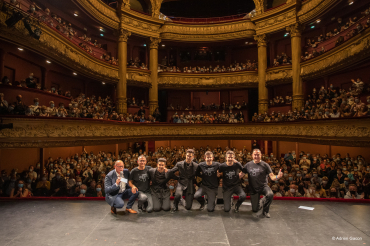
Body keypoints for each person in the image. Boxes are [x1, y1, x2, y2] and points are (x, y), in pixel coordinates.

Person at [240, 149, 283, 218]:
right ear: (252, 155)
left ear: (261, 155)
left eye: (258, 155)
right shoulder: (248, 165)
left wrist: (278, 176)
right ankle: (262, 201)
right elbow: (241, 175)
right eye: (255, 155)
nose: (256, 156)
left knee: (270, 194)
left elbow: (272, 177)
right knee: (255, 209)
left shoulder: (265, 165)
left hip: (263, 186)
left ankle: (265, 211)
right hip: (253, 188)